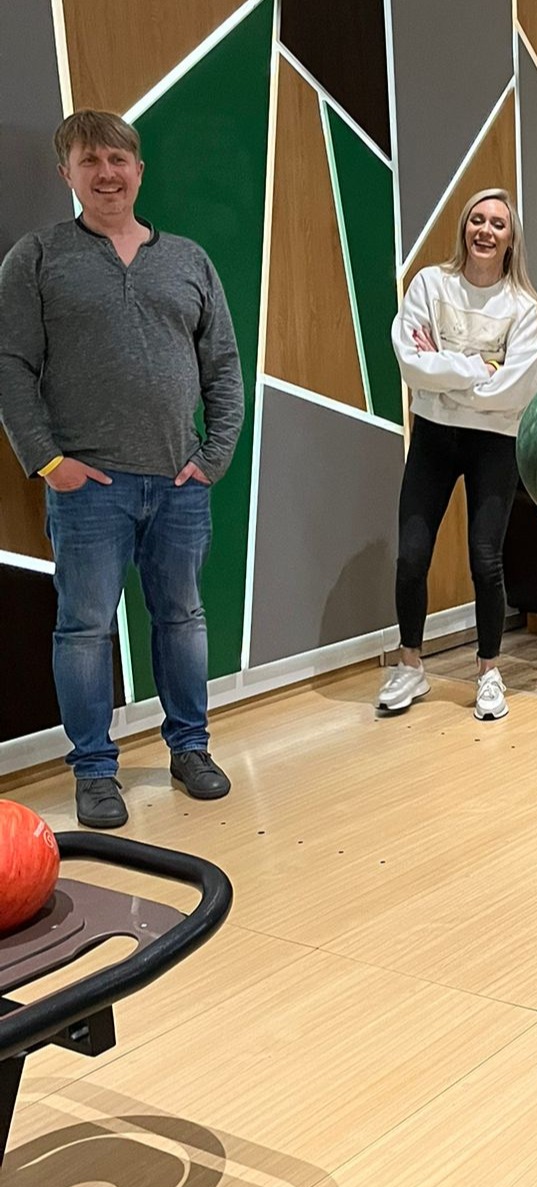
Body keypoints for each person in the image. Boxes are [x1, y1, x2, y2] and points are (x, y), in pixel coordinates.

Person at [0, 110, 243, 829]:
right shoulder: (37, 258)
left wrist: (213, 457)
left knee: (182, 620)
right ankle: (94, 770)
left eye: (117, 160)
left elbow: (223, 367)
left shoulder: (190, 260)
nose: (106, 174)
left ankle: (190, 749)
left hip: (179, 485)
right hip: (88, 492)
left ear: (139, 170)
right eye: (90, 161)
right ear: (66, 173)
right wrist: (47, 461)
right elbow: (10, 366)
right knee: (83, 630)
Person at [377, 188, 537, 720]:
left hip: (496, 441)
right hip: (434, 434)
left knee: (485, 558)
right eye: (477, 220)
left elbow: (516, 388)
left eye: (498, 223)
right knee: (411, 556)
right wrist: (480, 368)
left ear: (511, 238)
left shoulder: (524, 307)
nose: (485, 231)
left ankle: (488, 671)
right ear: (464, 227)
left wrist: (447, 370)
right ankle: (410, 665)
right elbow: (412, 364)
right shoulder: (430, 284)